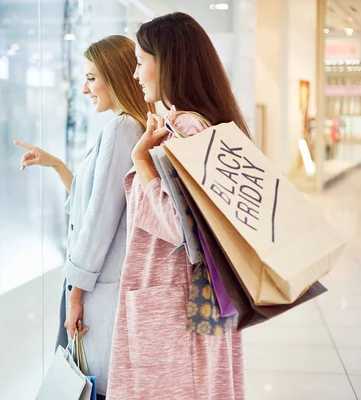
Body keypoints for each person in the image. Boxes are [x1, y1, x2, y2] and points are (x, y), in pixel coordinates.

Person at [106, 13, 248, 400]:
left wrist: (141, 163)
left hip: (174, 308)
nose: (135, 74)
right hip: (182, 304)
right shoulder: (189, 127)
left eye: (140, 61)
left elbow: (177, 226)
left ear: (166, 62)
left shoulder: (188, 131)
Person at [15, 35, 154, 399]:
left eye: (92, 77)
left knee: (93, 387)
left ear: (114, 75)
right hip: (95, 283)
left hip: (94, 288)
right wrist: (57, 164)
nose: (85, 88)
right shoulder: (128, 127)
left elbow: (98, 219)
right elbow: (92, 203)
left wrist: (75, 294)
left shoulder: (123, 128)